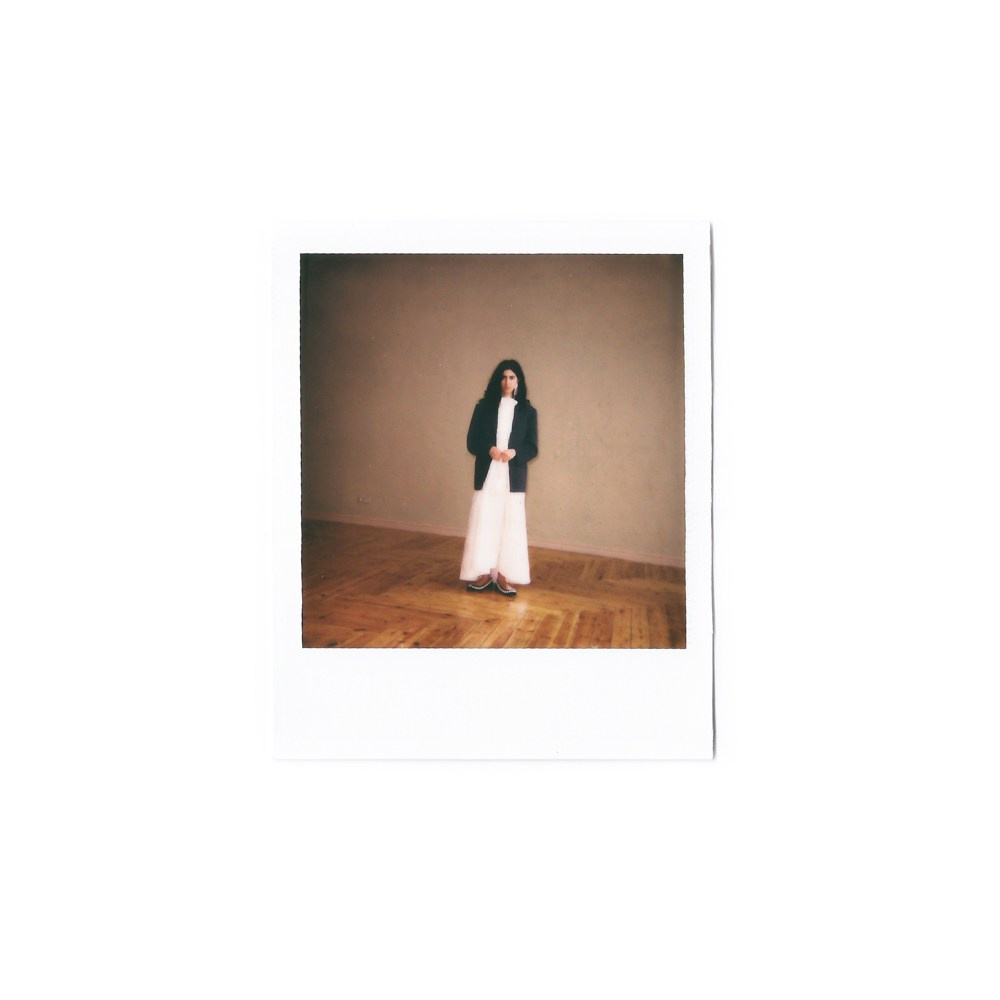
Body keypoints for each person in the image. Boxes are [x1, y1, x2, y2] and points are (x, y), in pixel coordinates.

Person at [459, 360, 539, 597]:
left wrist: (515, 452)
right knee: (485, 521)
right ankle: (483, 574)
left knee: (509, 524)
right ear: (497, 380)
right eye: (503, 377)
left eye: (512, 377)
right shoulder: (483, 408)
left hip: (512, 477)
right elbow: (472, 441)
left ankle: (504, 576)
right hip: (488, 475)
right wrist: (489, 449)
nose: (507, 382)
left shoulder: (528, 412)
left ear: (518, 381)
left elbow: (532, 447)